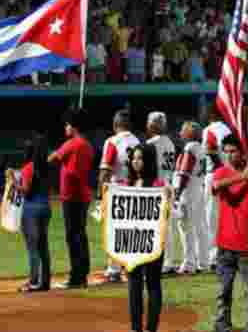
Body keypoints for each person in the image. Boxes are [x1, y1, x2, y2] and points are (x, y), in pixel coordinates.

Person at [207, 135, 248, 332]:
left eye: (233, 151)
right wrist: (243, 177)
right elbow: (215, 186)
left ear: (243, 152)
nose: (229, 155)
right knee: (223, 293)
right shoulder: (222, 172)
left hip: (246, 245)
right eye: (227, 151)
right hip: (225, 243)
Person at [116, 144, 172, 332]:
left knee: (153, 283)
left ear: (148, 161)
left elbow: (166, 211)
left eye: (140, 158)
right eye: (134, 158)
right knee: (133, 285)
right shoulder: (126, 184)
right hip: (132, 241)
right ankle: (135, 331)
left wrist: (167, 194)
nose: (136, 162)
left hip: (153, 241)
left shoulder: (158, 184)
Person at [48, 108, 94, 290]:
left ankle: (76, 276)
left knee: (73, 236)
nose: (65, 127)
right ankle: (82, 273)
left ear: (74, 126)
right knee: (80, 235)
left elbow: (52, 158)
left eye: (67, 124)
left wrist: (55, 153)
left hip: (72, 196)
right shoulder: (86, 144)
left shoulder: (72, 143)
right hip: (83, 195)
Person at [99, 109, 142, 283]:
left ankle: (114, 269)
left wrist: (100, 195)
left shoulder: (112, 141)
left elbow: (105, 170)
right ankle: (130, 267)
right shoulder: (138, 141)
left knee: (114, 229)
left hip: (117, 189)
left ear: (115, 124)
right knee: (131, 229)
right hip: (135, 189)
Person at [15, 136, 52, 292]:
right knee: (43, 246)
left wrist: (13, 182)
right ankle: (45, 281)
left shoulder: (28, 168)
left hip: (31, 209)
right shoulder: (47, 166)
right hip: (46, 207)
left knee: (33, 248)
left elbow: (25, 191)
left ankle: (34, 281)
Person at [147, 112, 180, 275]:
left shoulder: (152, 143)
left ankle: (163, 262)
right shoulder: (170, 142)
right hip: (168, 185)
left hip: (156, 187)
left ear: (153, 125)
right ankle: (169, 261)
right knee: (168, 227)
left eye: (150, 122)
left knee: (157, 227)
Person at [173, 121, 207, 274]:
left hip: (188, 190)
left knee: (186, 227)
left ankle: (189, 264)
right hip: (198, 188)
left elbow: (185, 172)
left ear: (189, 133)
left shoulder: (190, 148)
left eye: (183, 130)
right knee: (200, 226)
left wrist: (178, 192)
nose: (180, 133)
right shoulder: (201, 147)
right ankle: (204, 261)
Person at [202, 105, 232, 270]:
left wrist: (220, 174)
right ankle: (227, 252)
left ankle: (214, 256)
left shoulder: (210, 130)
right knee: (225, 215)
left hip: (215, 175)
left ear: (211, 114)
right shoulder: (228, 130)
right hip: (230, 174)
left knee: (211, 217)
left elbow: (212, 153)